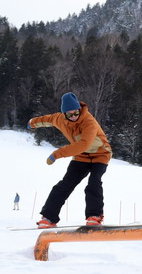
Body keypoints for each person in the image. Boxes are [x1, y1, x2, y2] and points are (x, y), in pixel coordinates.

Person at [28, 92, 112, 228]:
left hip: (100, 154)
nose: (74, 117)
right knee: (64, 185)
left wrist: (57, 154)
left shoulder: (88, 121)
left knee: (94, 183)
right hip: (81, 157)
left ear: (79, 110)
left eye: (76, 113)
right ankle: (49, 218)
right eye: (70, 114)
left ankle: (94, 216)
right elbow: (47, 120)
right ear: (64, 114)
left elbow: (83, 144)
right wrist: (32, 123)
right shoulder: (59, 119)